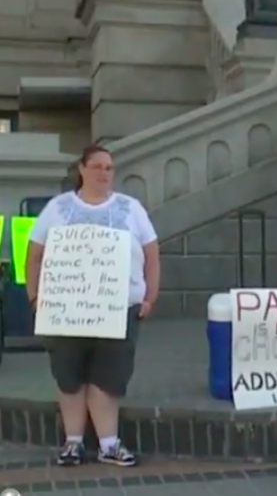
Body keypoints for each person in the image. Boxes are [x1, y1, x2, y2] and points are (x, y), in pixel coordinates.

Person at [25, 145, 160, 467]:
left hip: (119, 309)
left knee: (109, 378)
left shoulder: (131, 208)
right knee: (69, 375)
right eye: (98, 167)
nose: (104, 173)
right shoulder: (58, 208)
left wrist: (150, 296)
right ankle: (72, 443)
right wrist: (34, 295)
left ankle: (109, 444)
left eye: (109, 168)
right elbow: (34, 254)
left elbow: (152, 254)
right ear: (82, 170)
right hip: (65, 309)